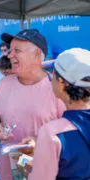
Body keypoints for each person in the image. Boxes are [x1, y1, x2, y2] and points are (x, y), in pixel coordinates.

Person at [0, 29, 66, 180]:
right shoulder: (3, 84)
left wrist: (41, 141)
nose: (9, 55)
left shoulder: (56, 87)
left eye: (16, 50)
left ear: (36, 54)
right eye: (9, 51)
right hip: (5, 172)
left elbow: (72, 132)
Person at [23, 48, 90, 179]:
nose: (49, 79)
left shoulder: (52, 133)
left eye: (52, 74)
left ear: (62, 83)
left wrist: (29, 172)